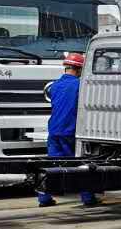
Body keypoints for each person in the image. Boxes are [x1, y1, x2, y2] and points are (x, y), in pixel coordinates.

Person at [35, 52, 101, 208]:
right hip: (70, 131)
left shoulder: (55, 86)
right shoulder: (80, 86)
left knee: (52, 166)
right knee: (80, 165)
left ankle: (44, 199)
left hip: (54, 130)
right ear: (79, 70)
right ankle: (88, 198)